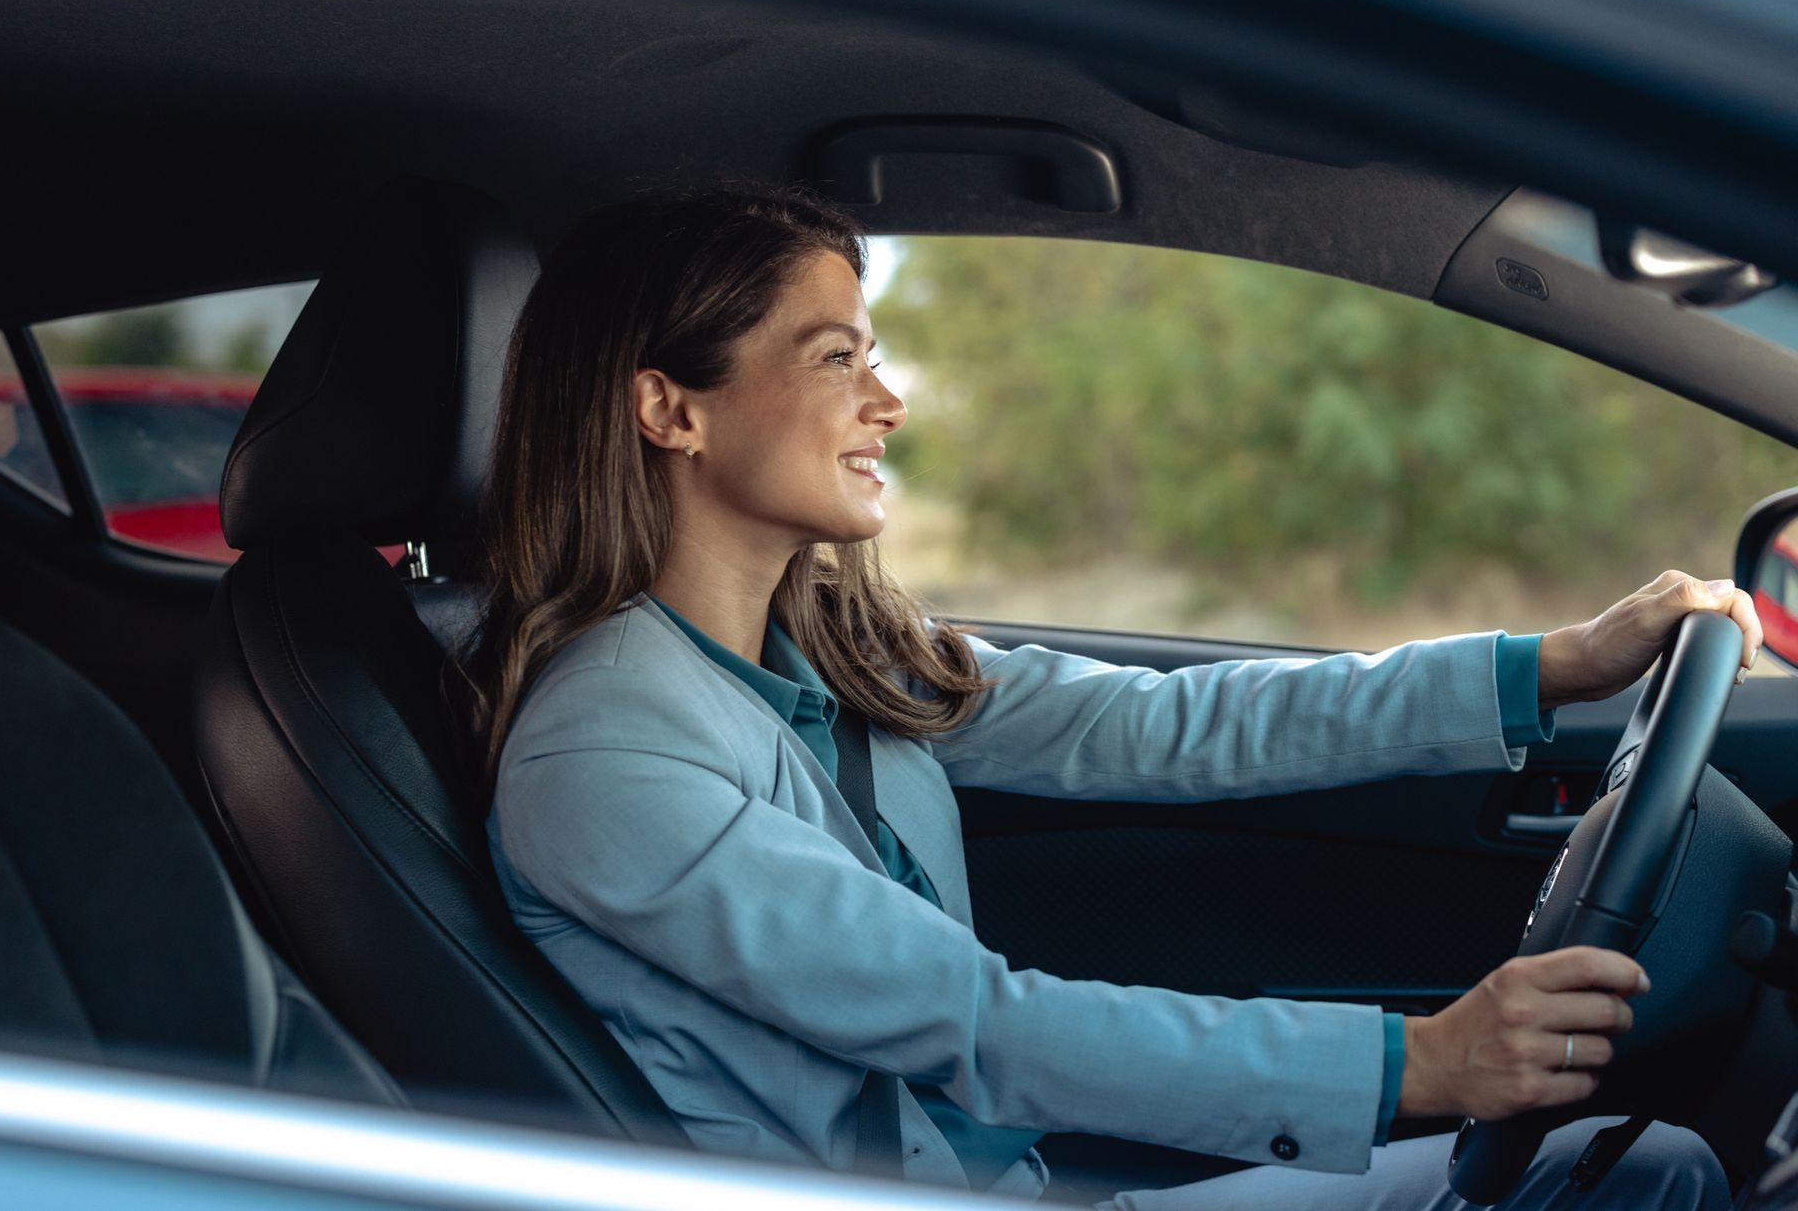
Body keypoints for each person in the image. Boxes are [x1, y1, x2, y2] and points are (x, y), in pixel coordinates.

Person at [460, 186, 1756, 1210]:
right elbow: (974, 1020)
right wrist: (1421, 1062)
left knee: (1650, 1169)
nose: (888, 400)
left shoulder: (827, 651)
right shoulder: (606, 742)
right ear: (668, 409)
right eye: (834, 355)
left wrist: (1550, 665)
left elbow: (1167, 724)